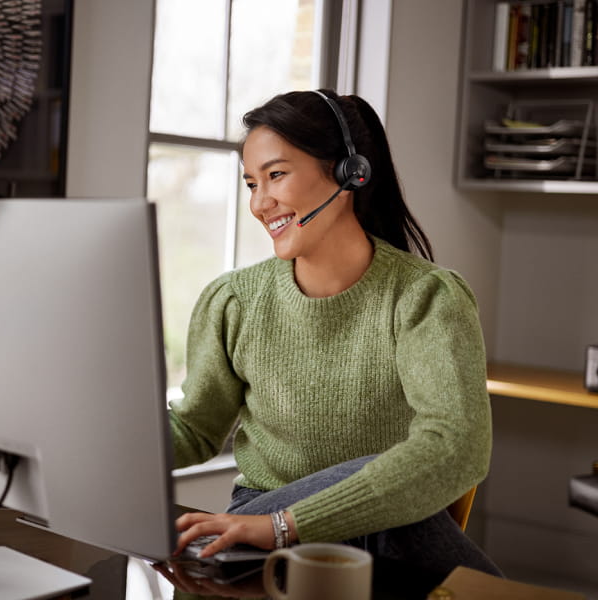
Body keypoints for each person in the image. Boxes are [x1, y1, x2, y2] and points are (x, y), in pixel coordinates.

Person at [167, 88, 501, 577]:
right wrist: (100, 437)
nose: (261, 203)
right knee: (386, 496)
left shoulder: (426, 298)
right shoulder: (235, 301)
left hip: (364, 530)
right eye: (251, 183)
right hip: (261, 526)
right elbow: (195, 430)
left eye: (276, 175)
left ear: (351, 173)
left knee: (380, 487)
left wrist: (288, 524)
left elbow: (458, 447)